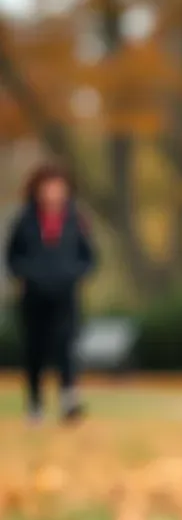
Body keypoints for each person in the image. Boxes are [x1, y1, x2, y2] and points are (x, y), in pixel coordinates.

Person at [4, 163, 96, 423]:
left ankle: (69, 400)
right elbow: (12, 257)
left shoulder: (76, 220)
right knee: (35, 349)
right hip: (33, 296)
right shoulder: (24, 220)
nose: (53, 193)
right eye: (49, 187)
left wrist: (75, 274)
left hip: (65, 294)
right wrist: (28, 275)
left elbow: (88, 256)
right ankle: (35, 404)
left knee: (66, 345)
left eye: (58, 187)